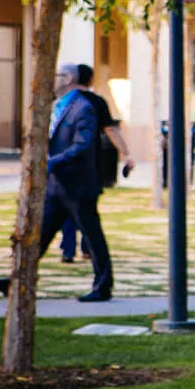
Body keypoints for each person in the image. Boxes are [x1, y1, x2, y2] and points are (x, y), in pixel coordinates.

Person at [0, 64, 116, 302]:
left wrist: (50, 162)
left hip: (77, 187)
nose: (52, 79)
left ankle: (103, 287)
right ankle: (14, 282)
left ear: (69, 79)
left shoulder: (83, 108)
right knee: (38, 237)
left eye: (57, 75)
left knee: (93, 238)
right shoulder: (58, 106)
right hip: (56, 187)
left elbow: (82, 145)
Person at [58, 64, 135, 263]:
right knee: (86, 210)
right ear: (91, 80)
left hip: (63, 165)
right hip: (88, 167)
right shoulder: (96, 102)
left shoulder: (63, 102)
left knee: (66, 208)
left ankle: (68, 250)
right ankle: (87, 249)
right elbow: (112, 131)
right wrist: (126, 154)